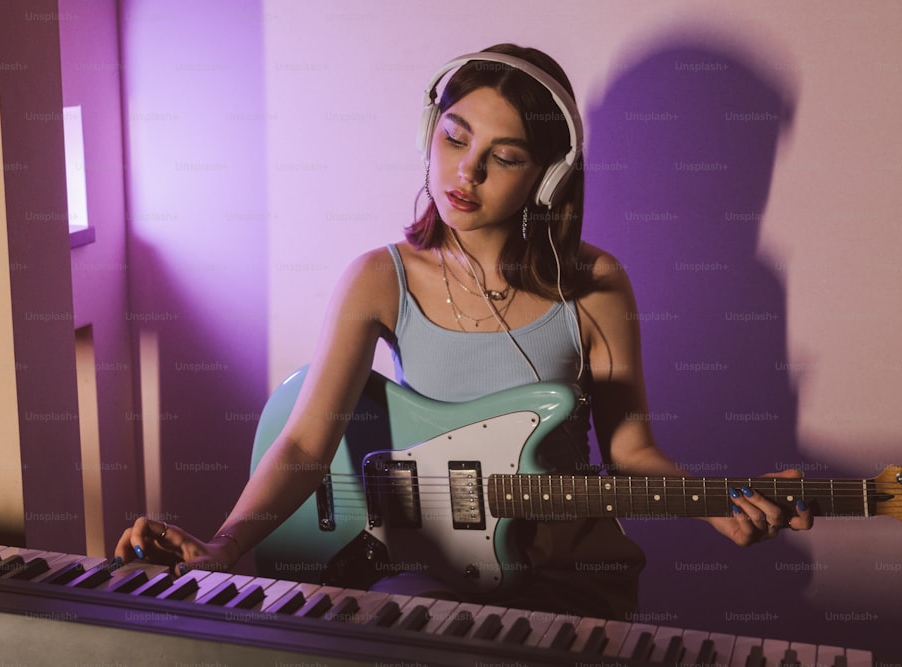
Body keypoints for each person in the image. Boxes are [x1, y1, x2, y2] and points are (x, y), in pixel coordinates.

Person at [115, 43, 813, 620]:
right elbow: (305, 438)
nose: (466, 171)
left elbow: (630, 449)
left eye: (505, 157)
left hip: (567, 570)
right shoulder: (379, 279)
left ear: (548, 177)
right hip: (431, 570)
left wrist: (716, 500)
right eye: (454, 137)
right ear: (431, 133)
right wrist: (225, 544)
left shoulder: (598, 284)